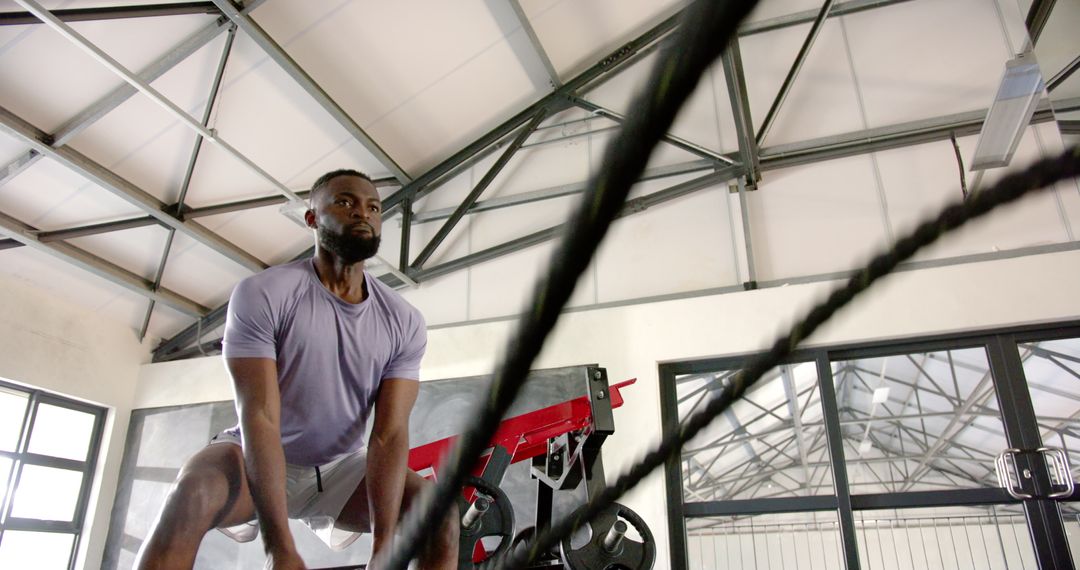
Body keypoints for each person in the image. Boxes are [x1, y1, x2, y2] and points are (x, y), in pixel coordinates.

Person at [136, 169, 457, 570]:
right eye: (345, 202)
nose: (363, 213)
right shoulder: (265, 293)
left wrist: (383, 549)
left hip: (339, 468)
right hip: (254, 455)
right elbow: (260, 416)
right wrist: (279, 547)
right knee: (192, 494)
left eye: (373, 207)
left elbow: (389, 435)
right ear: (311, 219)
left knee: (439, 514)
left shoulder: (403, 320)